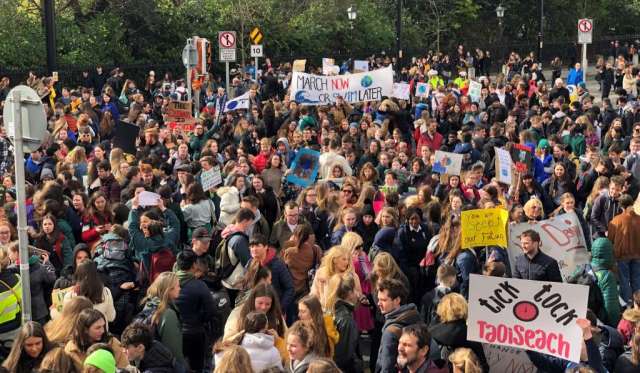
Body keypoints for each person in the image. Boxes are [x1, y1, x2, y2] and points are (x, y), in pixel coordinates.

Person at [174, 250, 215, 372]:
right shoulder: (199, 285)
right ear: (194, 265)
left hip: (174, 332)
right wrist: (200, 320)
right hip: (195, 332)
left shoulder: (169, 282)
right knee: (197, 367)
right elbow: (211, 311)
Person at [427, 293, 489, 372]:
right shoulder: (469, 336)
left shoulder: (431, 331)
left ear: (442, 309)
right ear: (464, 308)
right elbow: (483, 367)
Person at [136, 271, 184, 365]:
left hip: (149, 362)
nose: (180, 289)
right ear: (169, 289)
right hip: (163, 365)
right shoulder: (168, 314)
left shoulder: (149, 304)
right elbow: (174, 349)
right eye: (178, 286)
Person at [375, 278, 421, 373]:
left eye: (383, 300)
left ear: (397, 300)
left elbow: (387, 367)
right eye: (378, 299)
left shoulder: (390, 332)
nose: (378, 303)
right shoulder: (414, 316)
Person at [63, 308, 128, 372]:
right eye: (98, 328)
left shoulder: (113, 343)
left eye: (103, 326)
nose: (102, 331)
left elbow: (124, 367)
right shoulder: (71, 349)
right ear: (85, 329)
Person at [247, 234, 295, 313]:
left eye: (258, 246)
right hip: (255, 308)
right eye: (252, 247)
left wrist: (279, 308)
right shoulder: (250, 263)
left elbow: (290, 288)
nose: (254, 249)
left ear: (266, 247)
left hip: (274, 309)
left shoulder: (278, 265)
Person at [607, 194, 640, 305]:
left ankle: (627, 305)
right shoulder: (639, 219)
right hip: (637, 255)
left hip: (622, 256)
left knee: (624, 281)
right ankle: (638, 304)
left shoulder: (616, 220)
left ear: (620, 206)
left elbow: (610, 239)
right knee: (637, 280)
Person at [62, 259, 116, 323]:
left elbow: (66, 320)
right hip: (101, 331)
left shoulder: (70, 296)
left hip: (80, 332)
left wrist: (53, 312)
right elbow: (111, 317)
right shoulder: (106, 292)